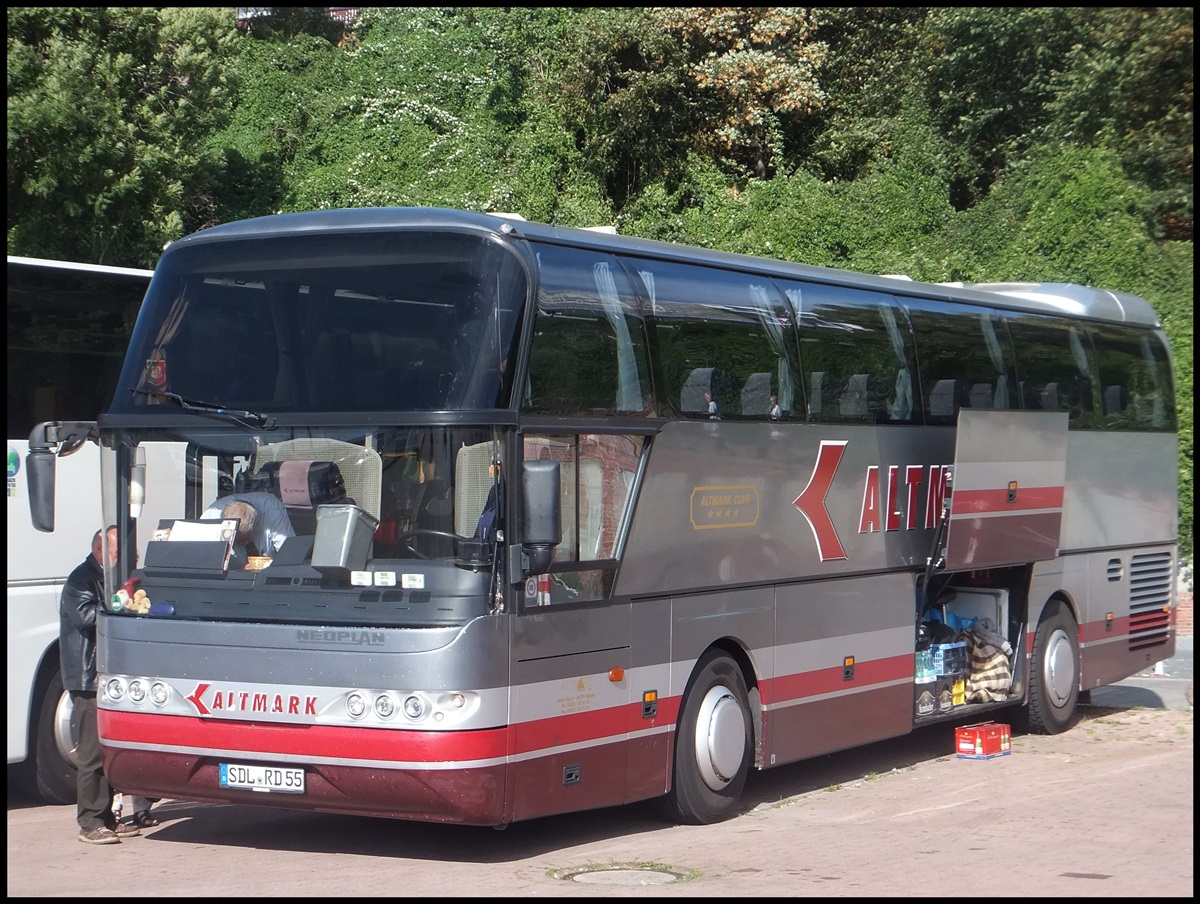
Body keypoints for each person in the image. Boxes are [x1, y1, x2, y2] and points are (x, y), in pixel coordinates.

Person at [60, 526, 142, 844]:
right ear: (99, 550)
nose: (122, 557)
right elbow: (86, 616)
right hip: (88, 677)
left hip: (107, 676)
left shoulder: (108, 577)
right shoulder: (81, 579)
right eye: (116, 551)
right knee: (92, 753)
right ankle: (90, 822)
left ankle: (109, 816)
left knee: (109, 751)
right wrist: (121, 604)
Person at [202, 491, 295, 557]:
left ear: (256, 523)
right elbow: (202, 556)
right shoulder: (211, 516)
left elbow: (288, 553)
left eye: (243, 538)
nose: (241, 543)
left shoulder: (273, 510)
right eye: (236, 538)